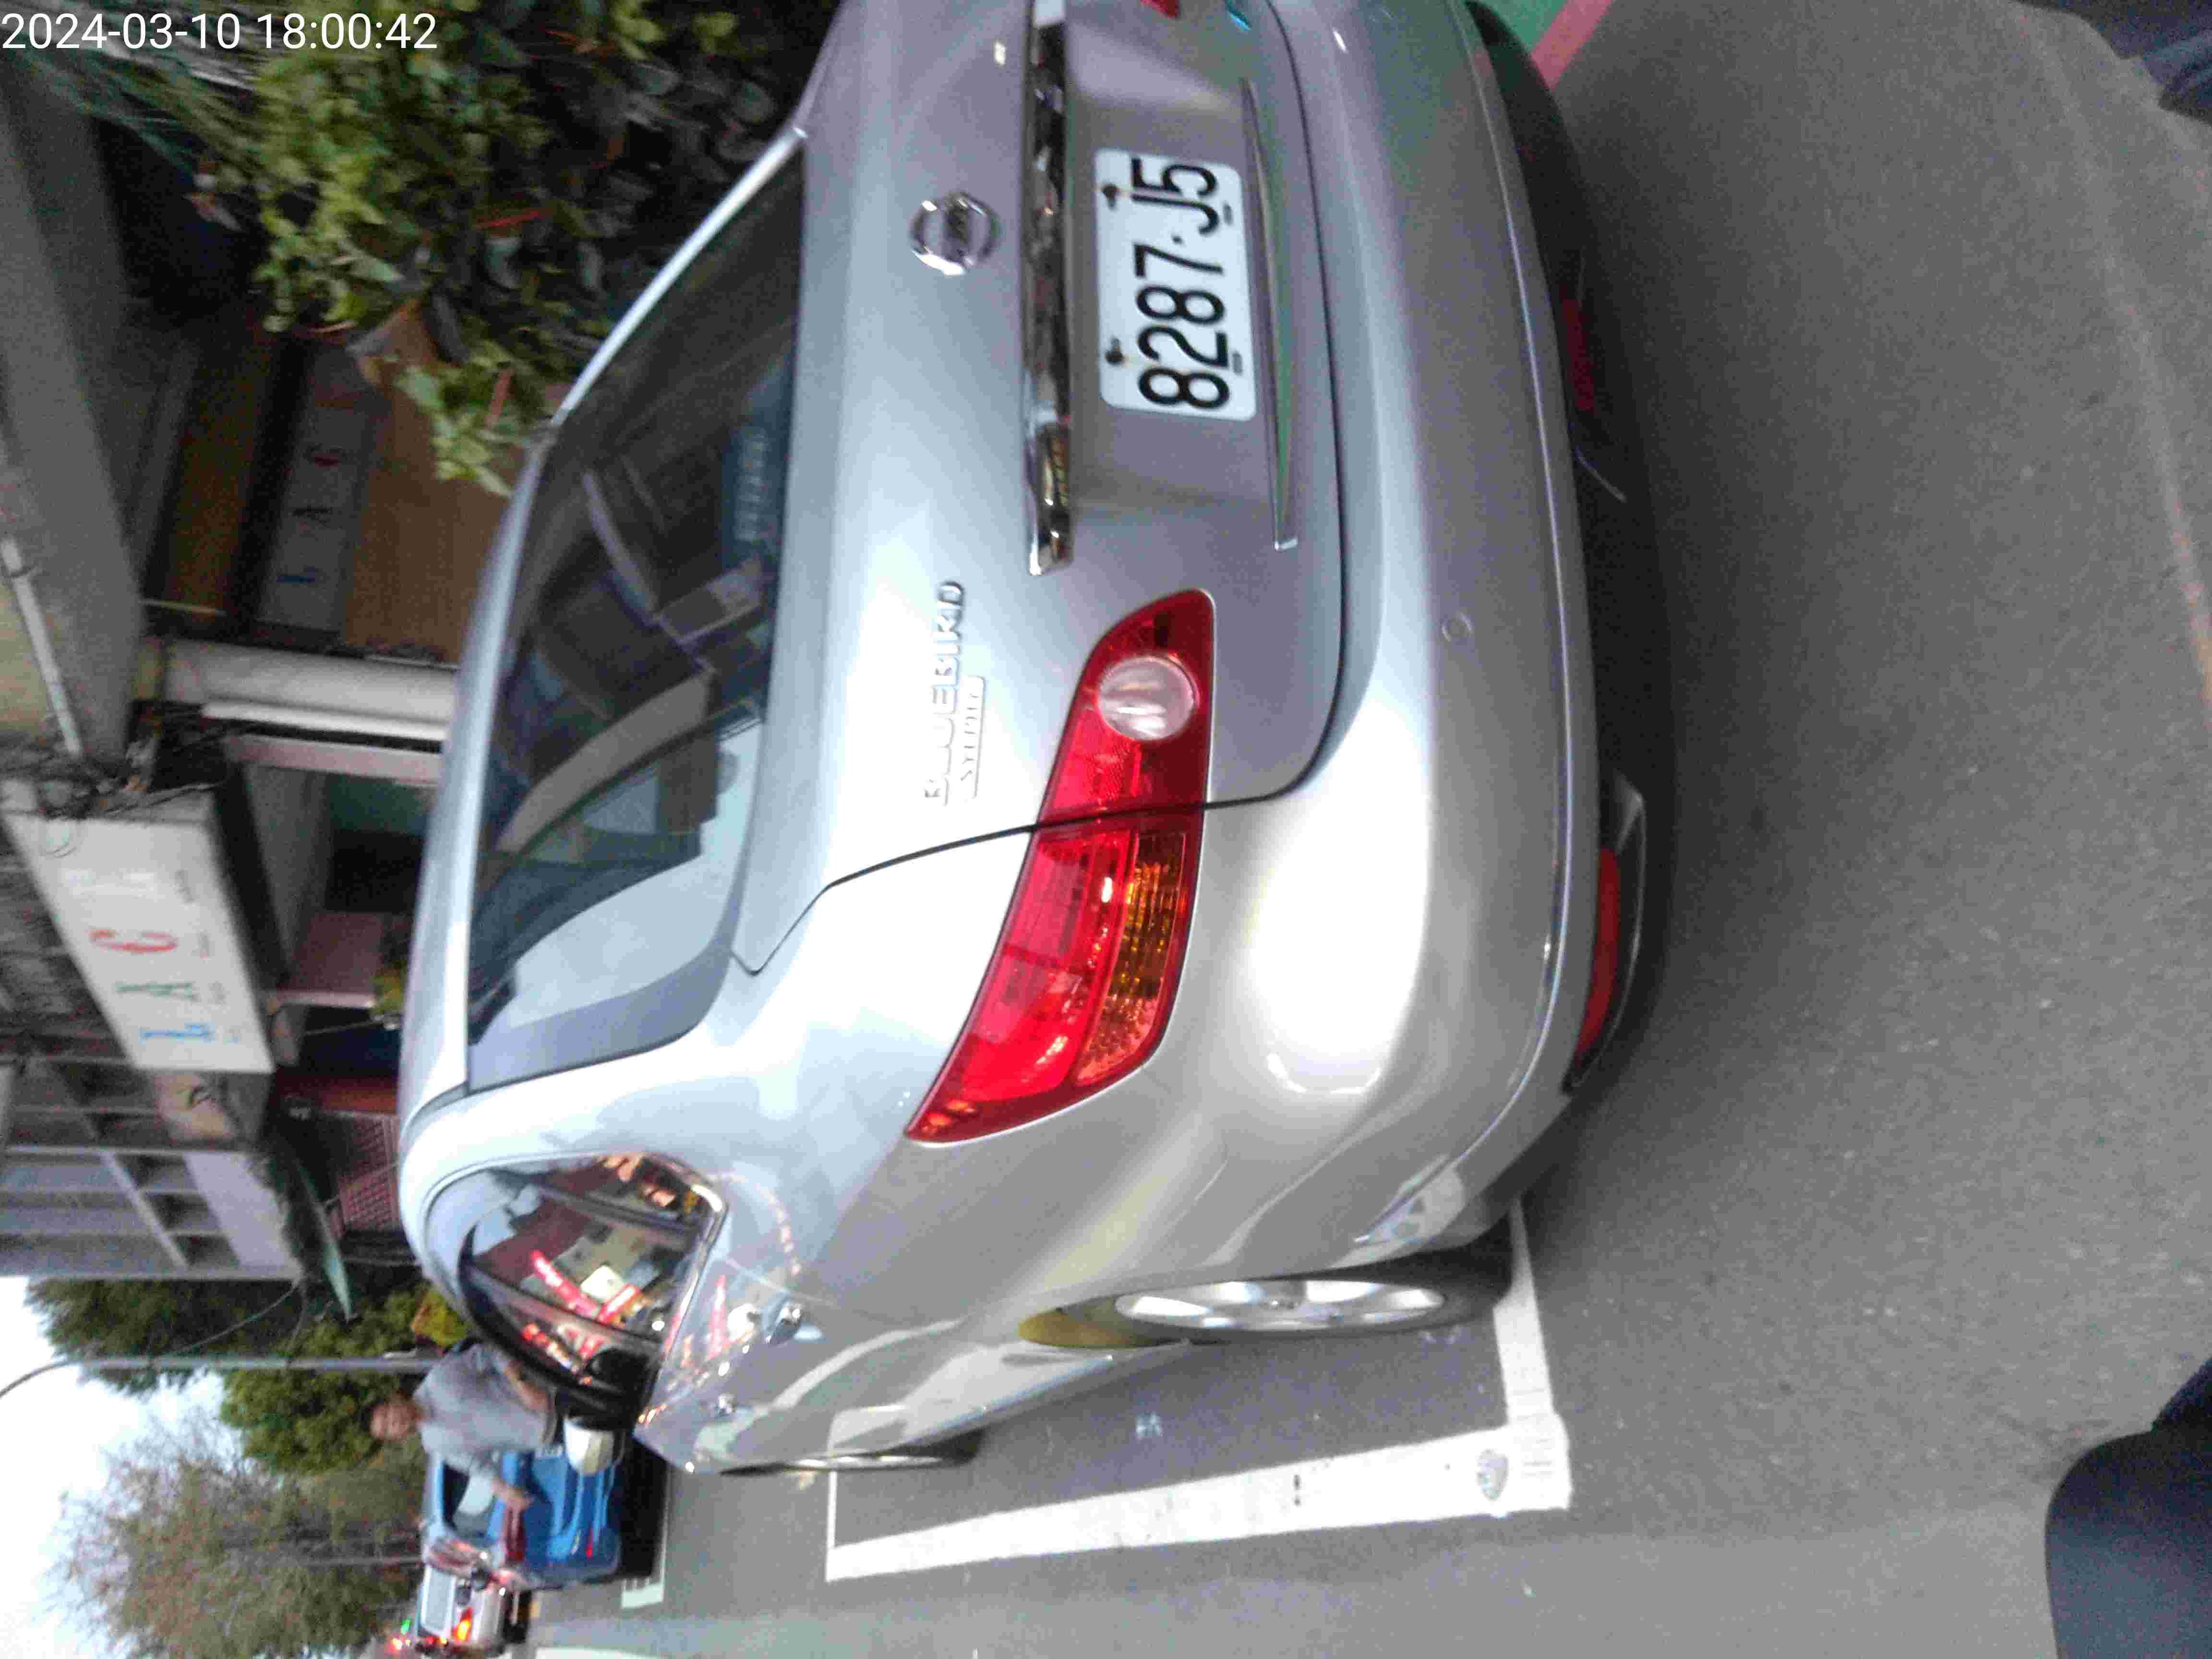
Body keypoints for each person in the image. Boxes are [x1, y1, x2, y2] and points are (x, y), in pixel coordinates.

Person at [371, 1344, 558, 1511]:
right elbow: (478, 1465)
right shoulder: (434, 1445)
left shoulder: (439, 1379)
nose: (392, 1423)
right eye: (387, 1429)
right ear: (396, 1437)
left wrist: (521, 1384)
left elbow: (490, 1353)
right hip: (552, 1436)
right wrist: (504, 1490)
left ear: (394, 1398)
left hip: (553, 1392)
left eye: (386, 1415)